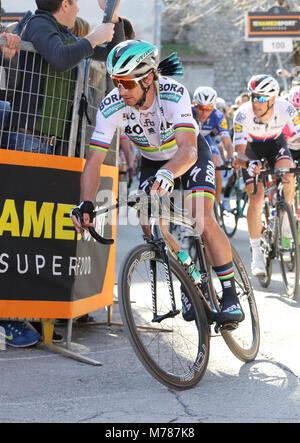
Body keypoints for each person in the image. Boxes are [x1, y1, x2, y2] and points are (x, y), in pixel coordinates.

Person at [70, 39, 245, 326]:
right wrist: (86, 203)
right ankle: (192, 280)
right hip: (152, 160)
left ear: (148, 78)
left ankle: (229, 293)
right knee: (149, 223)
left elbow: (188, 149)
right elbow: (94, 162)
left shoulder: (174, 94)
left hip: (188, 155)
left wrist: (168, 173)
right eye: (116, 82)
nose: (120, 90)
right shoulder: (112, 104)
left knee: (200, 215)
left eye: (127, 83)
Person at [1, 0, 125, 154]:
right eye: (76, 4)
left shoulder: (60, 33)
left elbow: (112, 54)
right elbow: (60, 59)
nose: (78, 9)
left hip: (44, 142)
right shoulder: (39, 24)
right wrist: (93, 37)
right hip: (28, 139)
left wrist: (112, 15)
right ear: (65, 4)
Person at [233, 74, 300, 277]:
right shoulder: (242, 114)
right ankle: (256, 255)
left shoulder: (286, 108)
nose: (255, 102)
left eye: (261, 98)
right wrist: (249, 163)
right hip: (251, 149)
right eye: (254, 96)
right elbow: (238, 152)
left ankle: (287, 233)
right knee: (256, 197)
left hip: (275, 144)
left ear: (272, 99)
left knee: (288, 176)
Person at [192, 86, 234, 204]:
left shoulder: (218, 116)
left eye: (209, 108)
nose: (205, 112)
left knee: (216, 162)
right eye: (201, 108)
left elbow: (227, 142)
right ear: (194, 104)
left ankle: (217, 203)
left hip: (205, 139)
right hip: (189, 138)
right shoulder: (187, 112)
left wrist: (230, 157)